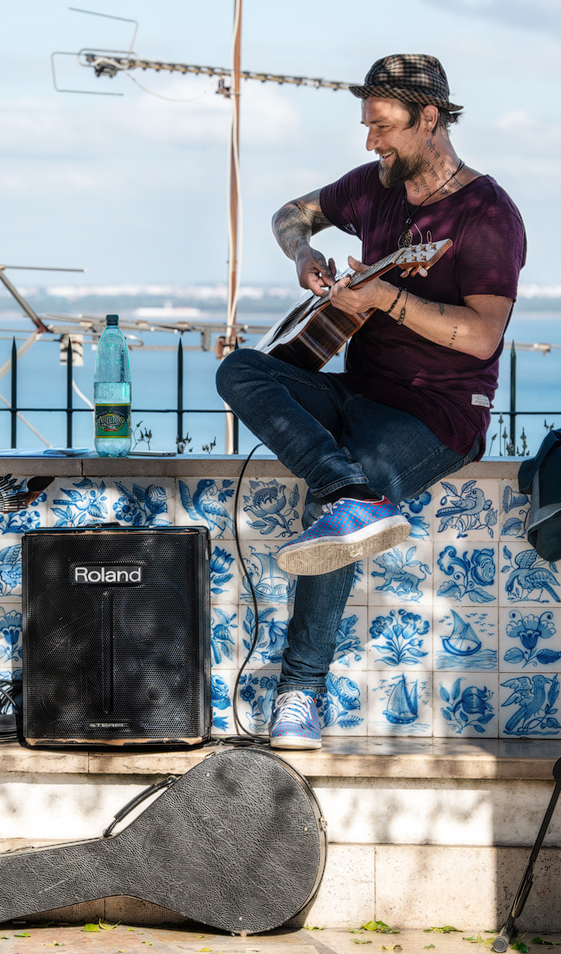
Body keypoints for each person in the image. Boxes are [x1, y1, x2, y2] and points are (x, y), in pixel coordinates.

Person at [216, 53, 526, 750]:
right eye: (366, 126)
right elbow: (289, 215)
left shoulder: (486, 214)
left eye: (382, 127)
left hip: (437, 413)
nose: (369, 142)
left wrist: (385, 293)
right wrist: (303, 258)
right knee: (241, 371)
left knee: (331, 519)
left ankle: (301, 693)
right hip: (360, 390)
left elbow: (480, 337)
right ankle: (346, 487)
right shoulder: (373, 187)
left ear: (429, 118)